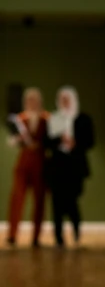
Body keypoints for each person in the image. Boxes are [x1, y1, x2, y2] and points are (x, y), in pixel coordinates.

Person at [47, 87, 95, 247]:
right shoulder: (54, 119)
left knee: (72, 202)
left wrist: (75, 143)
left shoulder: (83, 119)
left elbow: (90, 141)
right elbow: (47, 143)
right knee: (56, 204)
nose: (64, 103)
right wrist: (59, 141)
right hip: (57, 167)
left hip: (75, 167)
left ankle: (76, 231)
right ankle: (58, 237)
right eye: (62, 99)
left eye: (67, 99)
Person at [6, 87, 48, 247]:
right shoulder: (19, 119)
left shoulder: (46, 118)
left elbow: (52, 140)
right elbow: (11, 141)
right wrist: (18, 139)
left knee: (40, 201)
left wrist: (40, 144)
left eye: (35, 100)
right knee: (17, 199)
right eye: (29, 100)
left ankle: (36, 237)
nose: (32, 103)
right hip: (23, 164)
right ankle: (12, 234)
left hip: (41, 164)